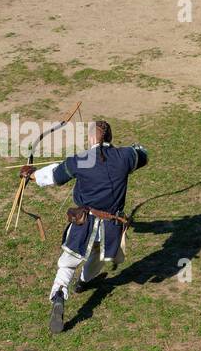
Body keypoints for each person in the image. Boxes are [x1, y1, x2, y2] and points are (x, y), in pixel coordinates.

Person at [22, 120, 148, 333]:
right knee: (97, 259)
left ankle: (59, 295)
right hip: (110, 229)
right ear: (110, 138)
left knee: (67, 264)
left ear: (90, 138)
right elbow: (143, 154)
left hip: (84, 224)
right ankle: (83, 282)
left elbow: (53, 175)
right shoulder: (126, 156)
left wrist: (32, 174)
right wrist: (133, 148)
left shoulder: (80, 160)